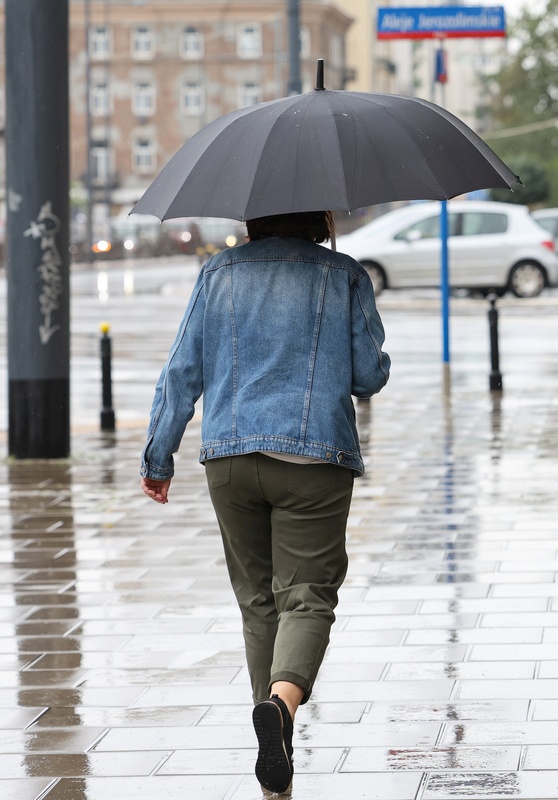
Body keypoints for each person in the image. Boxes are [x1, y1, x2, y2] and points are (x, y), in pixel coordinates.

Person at [140, 210, 391, 795]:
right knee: (306, 598)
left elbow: (182, 371)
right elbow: (366, 376)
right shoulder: (344, 274)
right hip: (314, 460)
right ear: (318, 217)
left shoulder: (218, 273)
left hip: (229, 458)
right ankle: (279, 710)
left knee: (258, 603)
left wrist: (159, 456)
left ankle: (273, 763)